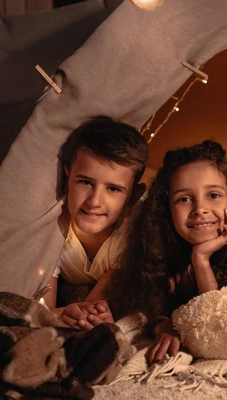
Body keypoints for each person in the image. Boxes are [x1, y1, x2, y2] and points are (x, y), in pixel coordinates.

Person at [107, 140, 227, 364]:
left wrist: (201, 259)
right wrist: (165, 324)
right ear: (166, 209)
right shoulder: (159, 248)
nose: (200, 209)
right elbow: (149, 308)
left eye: (213, 195)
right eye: (184, 199)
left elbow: (220, 324)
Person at [43, 116, 149, 330]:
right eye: (85, 182)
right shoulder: (53, 225)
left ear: (133, 196)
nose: (94, 201)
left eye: (113, 189)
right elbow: (45, 308)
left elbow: (90, 311)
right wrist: (62, 313)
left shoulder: (132, 233)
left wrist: (85, 314)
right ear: (67, 175)